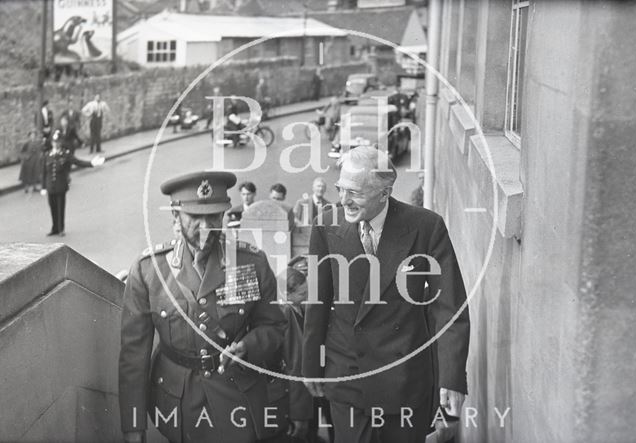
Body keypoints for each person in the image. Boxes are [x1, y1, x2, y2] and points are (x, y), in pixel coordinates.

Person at [302, 145, 470, 443]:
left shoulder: (426, 227)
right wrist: (311, 366)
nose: (343, 200)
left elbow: (450, 308)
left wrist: (452, 380)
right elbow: (317, 303)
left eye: (354, 193)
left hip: (405, 380)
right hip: (347, 379)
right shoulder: (325, 227)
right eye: (341, 189)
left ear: (385, 192)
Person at [118, 171, 288, 443]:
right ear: (176, 217)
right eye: (195, 218)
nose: (206, 226)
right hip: (179, 404)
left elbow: (274, 326)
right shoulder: (149, 270)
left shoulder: (249, 263)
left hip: (237, 397)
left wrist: (250, 346)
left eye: (213, 217)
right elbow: (133, 356)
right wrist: (134, 427)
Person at [277, 265, 314, 442]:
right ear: (286, 295)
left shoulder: (297, 308)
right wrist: (299, 413)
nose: (306, 297)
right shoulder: (286, 314)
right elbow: (294, 362)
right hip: (297, 398)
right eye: (302, 294)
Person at [41, 129, 102, 236]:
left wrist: (92, 163)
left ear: (61, 143)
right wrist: (43, 187)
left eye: (58, 142)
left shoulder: (65, 154)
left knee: (60, 208)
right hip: (51, 187)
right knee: (52, 208)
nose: (56, 144)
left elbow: (78, 162)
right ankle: (54, 228)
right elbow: (44, 172)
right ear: (52, 143)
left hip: (61, 186)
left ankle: (61, 229)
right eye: (54, 142)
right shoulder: (47, 155)